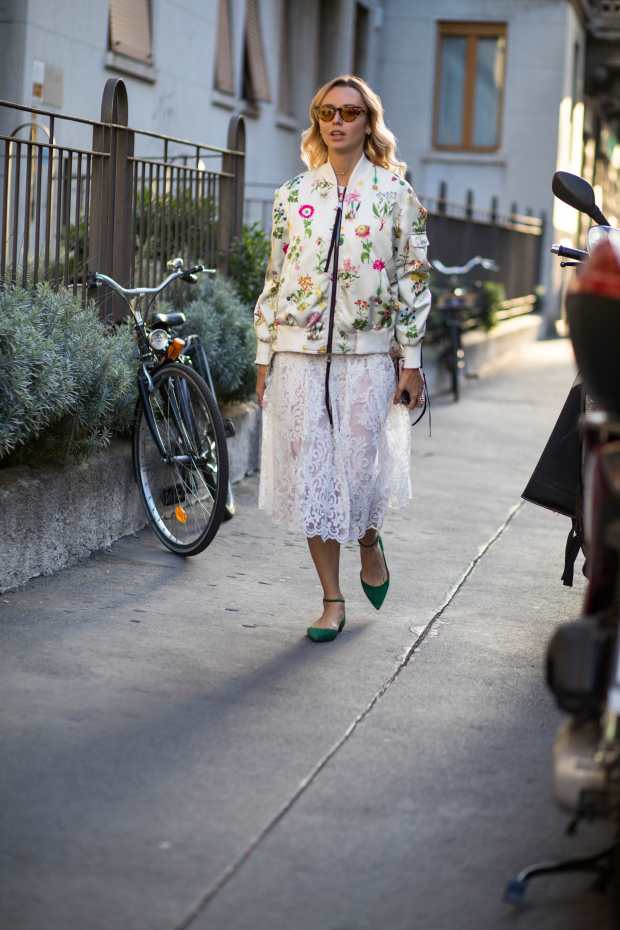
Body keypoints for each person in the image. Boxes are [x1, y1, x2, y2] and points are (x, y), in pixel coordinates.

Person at [253, 74, 431, 643]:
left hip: (367, 358)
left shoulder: (395, 195)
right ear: (316, 121)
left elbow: (414, 280)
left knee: (360, 473)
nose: (338, 122)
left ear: (368, 123)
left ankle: (369, 540)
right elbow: (274, 279)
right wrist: (264, 354)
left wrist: (411, 360)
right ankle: (331, 599)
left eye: (350, 113)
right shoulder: (292, 195)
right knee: (314, 481)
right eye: (328, 112)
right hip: (299, 357)